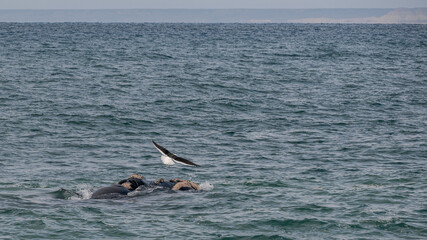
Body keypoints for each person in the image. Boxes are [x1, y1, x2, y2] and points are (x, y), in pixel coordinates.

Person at [91, 174, 200, 199]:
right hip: (133, 183)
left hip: (130, 186)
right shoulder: (174, 183)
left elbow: (170, 191)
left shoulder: (180, 186)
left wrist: (178, 185)